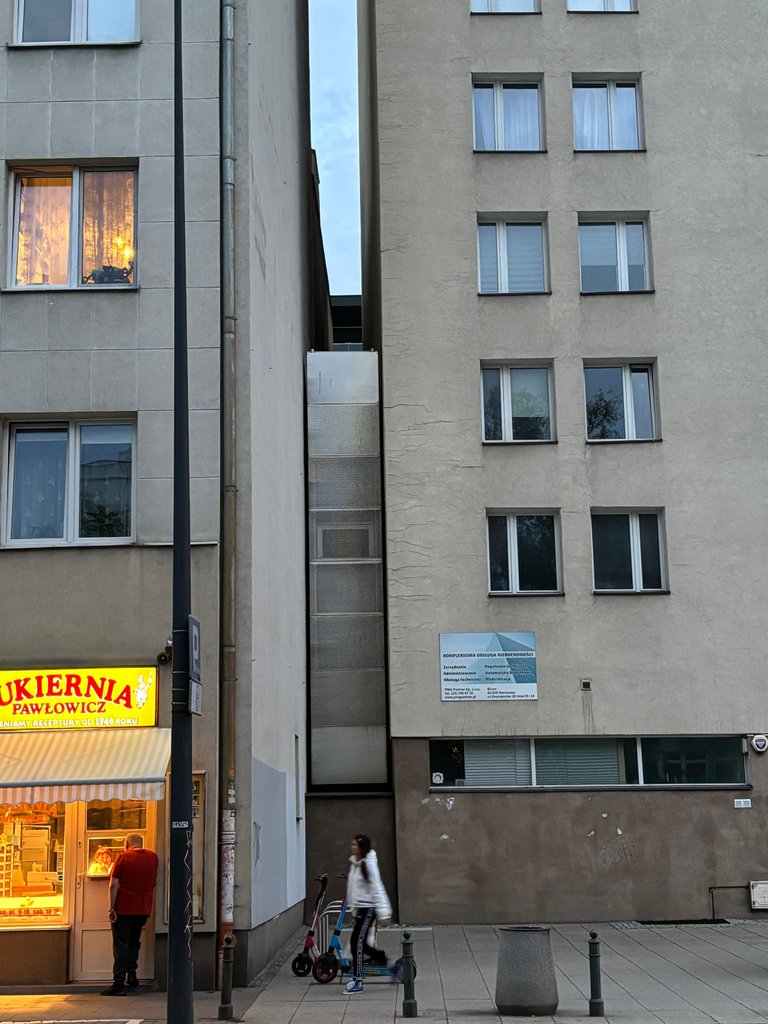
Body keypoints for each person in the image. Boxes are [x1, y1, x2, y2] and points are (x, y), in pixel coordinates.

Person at [101, 833, 159, 996]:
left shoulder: (123, 858)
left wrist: (111, 908)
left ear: (126, 844)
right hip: (143, 908)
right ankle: (132, 977)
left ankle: (118, 983)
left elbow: (114, 885)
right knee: (134, 942)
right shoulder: (153, 858)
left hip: (124, 908)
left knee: (121, 945)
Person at [344, 833, 399, 994]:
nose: (352, 847)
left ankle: (358, 981)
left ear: (362, 847)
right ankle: (391, 966)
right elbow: (354, 889)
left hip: (368, 910)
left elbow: (377, 888)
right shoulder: (356, 863)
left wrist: (384, 913)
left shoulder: (368, 864)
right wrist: (353, 908)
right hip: (360, 910)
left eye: (355, 845)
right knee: (362, 945)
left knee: (357, 944)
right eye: (352, 844)